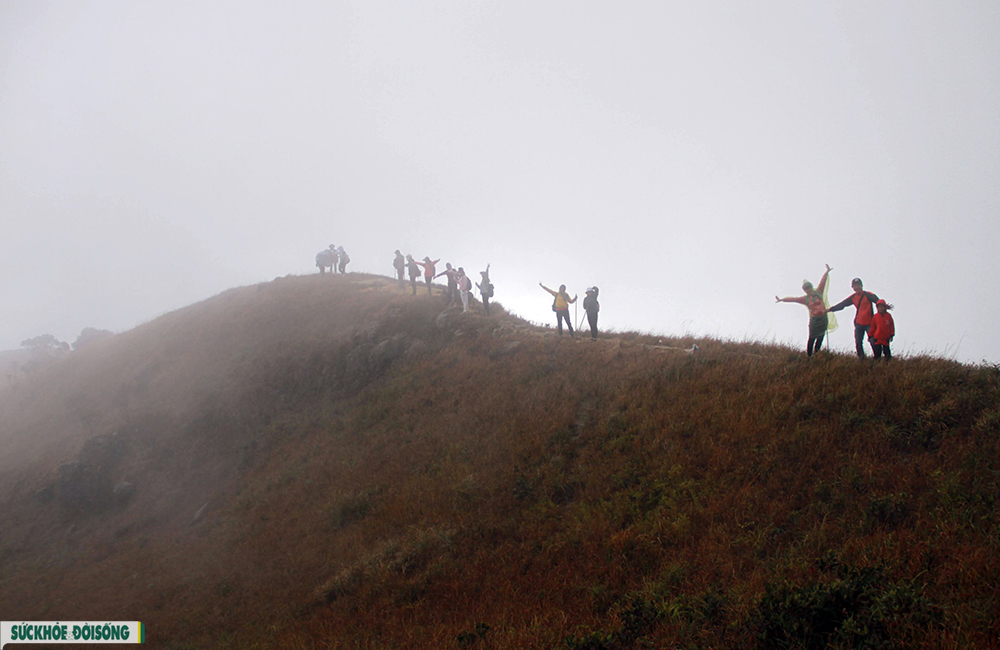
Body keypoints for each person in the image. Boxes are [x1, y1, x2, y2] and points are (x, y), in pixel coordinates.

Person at [776, 264, 832, 357]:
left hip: (823, 318)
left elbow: (823, 282)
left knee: (821, 337)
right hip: (814, 320)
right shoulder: (805, 299)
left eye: (809, 287)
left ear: (811, 287)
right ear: (804, 290)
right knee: (812, 338)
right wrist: (782, 299)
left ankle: (817, 353)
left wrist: (827, 272)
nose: (808, 289)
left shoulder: (819, 292)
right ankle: (809, 356)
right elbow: (794, 299)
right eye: (806, 289)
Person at [828, 277, 880, 359]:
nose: (857, 287)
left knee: (873, 341)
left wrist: (885, 307)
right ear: (852, 287)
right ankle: (862, 359)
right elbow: (842, 304)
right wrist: (830, 309)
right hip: (859, 323)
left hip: (870, 323)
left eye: (858, 285)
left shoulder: (868, 295)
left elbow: (878, 302)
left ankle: (877, 359)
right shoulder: (853, 297)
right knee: (858, 342)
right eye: (855, 286)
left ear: (861, 285)